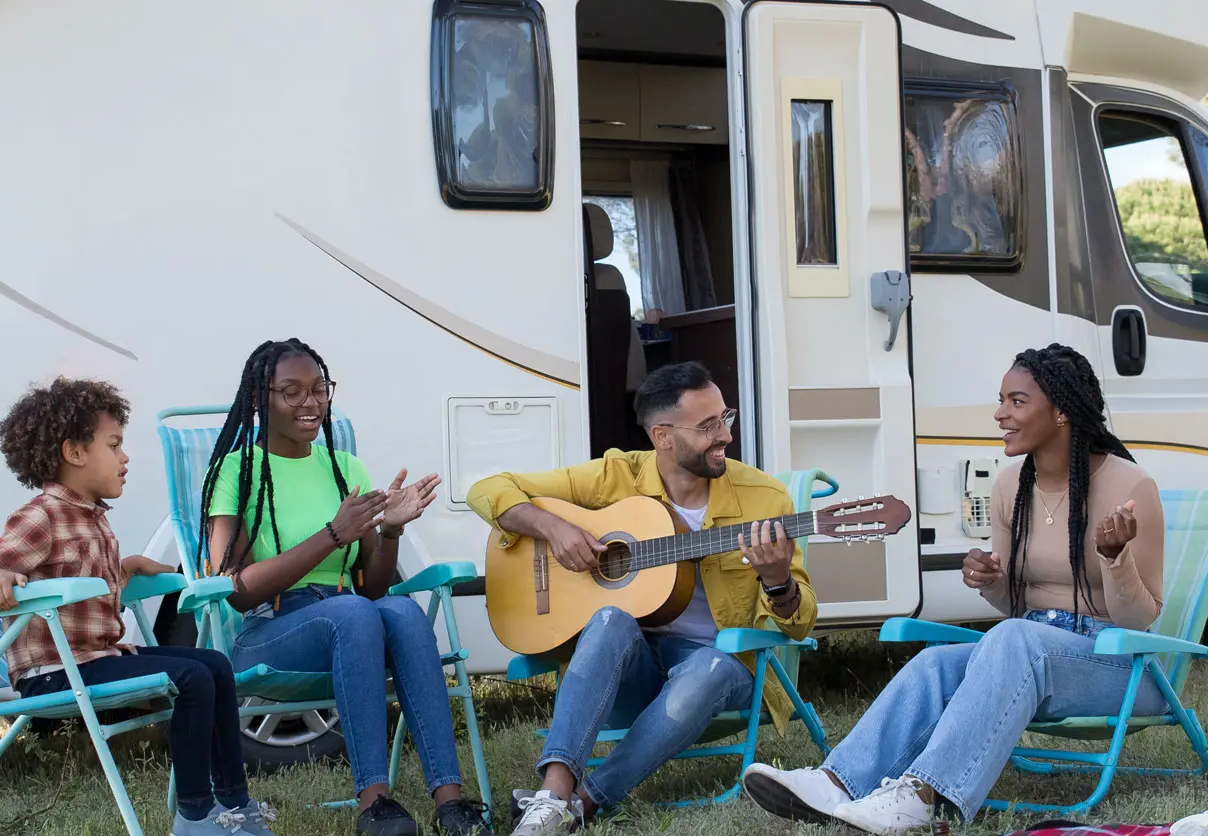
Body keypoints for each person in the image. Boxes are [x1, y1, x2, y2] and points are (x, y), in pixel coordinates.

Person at [744, 343, 1165, 835]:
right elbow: (1016, 610)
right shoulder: (1012, 486)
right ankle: (836, 782)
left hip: (1119, 665)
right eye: (1001, 400)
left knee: (1012, 639)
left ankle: (923, 797)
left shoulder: (1130, 487)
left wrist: (1114, 558)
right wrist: (991, 582)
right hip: (1031, 652)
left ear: (1063, 411)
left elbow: (1141, 621)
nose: (1000, 413)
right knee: (934, 663)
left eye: (1016, 401)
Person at [465, 361, 817, 835]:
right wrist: (555, 528)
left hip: (715, 670)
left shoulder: (764, 499)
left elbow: (800, 625)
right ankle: (551, 797)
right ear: (663, 436)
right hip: (624, 670)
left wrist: (777, 582)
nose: (725, 436)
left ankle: (584, 802)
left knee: (712, 667)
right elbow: (486, 490)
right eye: (708, 425)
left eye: (725, 418)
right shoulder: (617, 476)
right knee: (610, 617)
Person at [0, 378, 277, 836]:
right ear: (75, 452)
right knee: (190, 678)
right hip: (55, 670)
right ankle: (195, 815)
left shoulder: (93, 517)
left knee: (215, 665)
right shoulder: (43, 515)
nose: (125, 457)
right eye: (115, 444)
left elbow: (76, 581)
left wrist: (126, 568)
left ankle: (236, 806)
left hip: (100, 658)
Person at [200, 338, 488, 836]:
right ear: (257, 399)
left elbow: (374, 587)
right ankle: (374, 804)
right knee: (355, 613)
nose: (310, 404)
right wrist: (331, 535)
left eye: (319, 390)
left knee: (400, 612)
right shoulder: (237, 471)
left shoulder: (345, 468)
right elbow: (235, 589)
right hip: (270, 630)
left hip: (349, 619)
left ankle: (451, 803)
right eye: (291, 392)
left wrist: (391, 530)